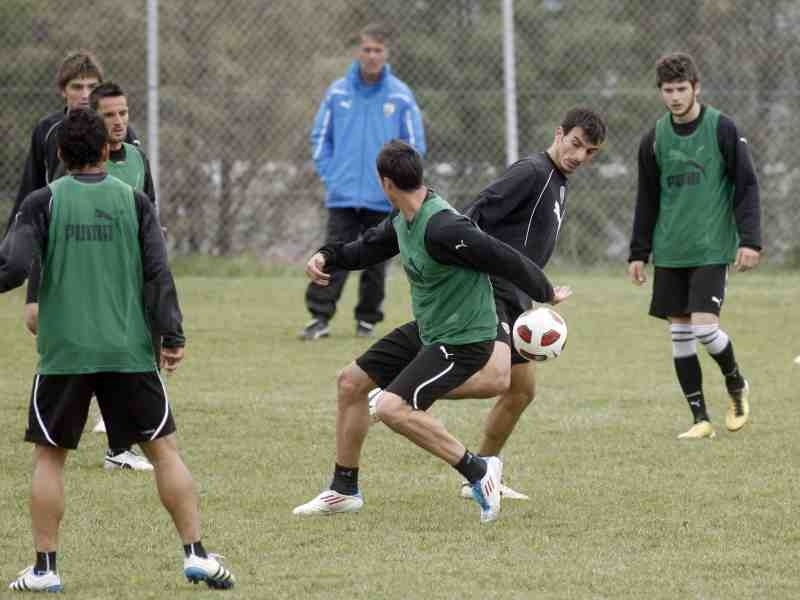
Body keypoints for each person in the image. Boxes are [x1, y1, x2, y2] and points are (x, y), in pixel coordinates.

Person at [1, 108, 234, 592]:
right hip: (128, 350)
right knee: (164, 452)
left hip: (65, 353)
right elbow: (158, 273)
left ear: (60, 153)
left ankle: (45, 568)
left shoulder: (43, 201)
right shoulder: (134, 201)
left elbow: (15, 266)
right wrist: (172, 335)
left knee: (50, 458)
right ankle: (196, 554)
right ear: (107, 150)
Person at [292, 140, 571, 524]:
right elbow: (366, 249)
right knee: (350, 383)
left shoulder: (444, 227)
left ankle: (479, 470)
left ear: (386, 183)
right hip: (432, 328)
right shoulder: (404, 219)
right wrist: (328, 255)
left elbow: (501, 255)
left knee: (392, 408)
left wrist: (545, 291)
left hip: (466, 337)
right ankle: (344, 490)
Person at [450, 107, 606, 501]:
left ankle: (481, 475)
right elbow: (472, 217)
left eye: (589, 151)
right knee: (496, 379)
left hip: (517, 294)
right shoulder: (532, 172)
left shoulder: (559, 181)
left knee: (521, 391)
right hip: (491, 288)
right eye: (575, 144)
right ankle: (402, 393)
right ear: (559, 133)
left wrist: (536, 287)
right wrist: (466, 268)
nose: (579, 155)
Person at [22, 80, 155, 472]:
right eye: (109, 115)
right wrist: (33, 295)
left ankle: (120, 445)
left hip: (124, 281)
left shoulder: (137, 159)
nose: (118, 122)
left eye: (123, 113)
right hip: (79, 285)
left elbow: (150, 217)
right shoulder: (69, 175)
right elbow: (40, 234)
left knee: (125, 354)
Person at [627, 52, 761, 439]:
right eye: (668, 90)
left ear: (696, 88)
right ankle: (700, 419)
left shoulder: (722, 128)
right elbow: (647, 198)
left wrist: (750, 240)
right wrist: (638, 252)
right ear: (660, 92)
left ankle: (736, 382)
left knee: (704, 327)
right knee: (680, 334)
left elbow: (746, 185)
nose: (675, 97)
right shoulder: (654, 139)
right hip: (671, 249)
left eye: (681, 89)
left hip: (711, 247)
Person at [300, 23, 426, 341]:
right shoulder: (337, 92)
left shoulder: (400, 95)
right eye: (367, 49)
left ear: (386, 53)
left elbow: (414, 146)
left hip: (384, 195)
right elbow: (320, 138)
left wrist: (398, 184)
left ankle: (367, 320)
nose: (371, 55)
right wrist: (331, 175)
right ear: (359, 51)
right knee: (334, 253)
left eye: (377, 50)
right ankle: (319, 317)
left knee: (376, 260)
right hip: (342, 194)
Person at [6, 49, 139, 235]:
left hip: (109, 228)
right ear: (63, 91)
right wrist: (12, 240)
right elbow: (30, 187)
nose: (85, 95)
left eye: (92, 87)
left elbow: (138, 184)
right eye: (77, 87)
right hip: (60, 227)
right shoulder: (47, 130)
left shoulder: (120, 130)